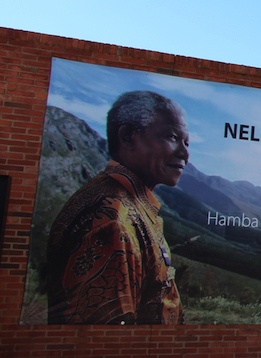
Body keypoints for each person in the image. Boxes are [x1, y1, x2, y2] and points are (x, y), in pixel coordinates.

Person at [46, 90, 188, 324]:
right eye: (172, 137)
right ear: (128, 137)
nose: (184, 152)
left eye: (186, 142)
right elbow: (103, 342)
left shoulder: (129, 204)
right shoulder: (110, 220)